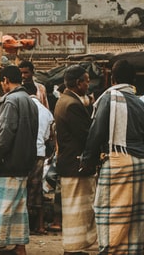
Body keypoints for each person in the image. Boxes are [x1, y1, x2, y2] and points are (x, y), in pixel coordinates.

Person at [81, 59, 144, 254]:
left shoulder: (109, 97)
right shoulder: (140, 102)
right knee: (134, 216)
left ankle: (111, 250)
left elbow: (97, 131)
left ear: (113, 79)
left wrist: (87, 160)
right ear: (133, 80)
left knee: (109, 211)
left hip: (118, 161)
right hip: (140, 164)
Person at [0, 65, 38, 255]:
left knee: (1, 207)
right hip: (24, 164)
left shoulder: (11, 101)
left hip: (8, 163)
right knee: (18, 208)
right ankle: (20, 246)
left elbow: (4, 134)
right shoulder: (30, 101)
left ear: (5, 80)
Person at [54, 64, 97, 255]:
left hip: (69, 163)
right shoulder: (72, 105)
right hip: (75, 164)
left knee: (74, 209)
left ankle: (74, 247)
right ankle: (76, 248)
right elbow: (86, 136)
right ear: (78, 83)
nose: (88, 85)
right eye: (86, 81)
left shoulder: (65, 100)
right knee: (78, 210)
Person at [23, 82, 54, 236]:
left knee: (22, 189)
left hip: (24, 154)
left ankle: (24, 227)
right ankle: (39, 225)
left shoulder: (22, 107)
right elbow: (48, 136)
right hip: (39, 154)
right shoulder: (46, 111)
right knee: (36, 189)